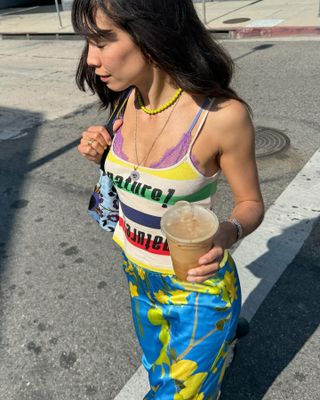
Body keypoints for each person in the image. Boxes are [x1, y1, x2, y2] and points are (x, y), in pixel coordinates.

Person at [73, 0, 264, 399]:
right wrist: (103, 155)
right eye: (88, 42)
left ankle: (221, 330)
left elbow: (250, 204)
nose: (91, 58)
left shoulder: (221, 116)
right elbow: (139, 185)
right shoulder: (127, 101)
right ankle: (225, 340)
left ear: (152, 32)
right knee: (158, 373)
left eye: (103, 40)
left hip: (198, 289)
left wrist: (227, 233)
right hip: (139, 279)